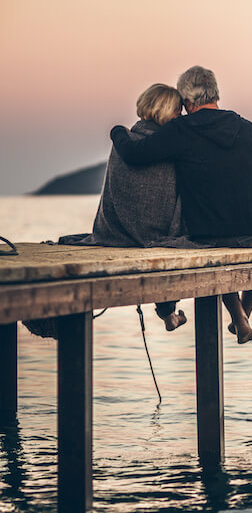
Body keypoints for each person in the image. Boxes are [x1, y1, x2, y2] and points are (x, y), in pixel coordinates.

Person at [110, 66, 252, 343]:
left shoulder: (182, 129)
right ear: (216, 93)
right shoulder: (248, 128)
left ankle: (241, 318)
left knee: (215, 247)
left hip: (210, 231)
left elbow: (134, 154)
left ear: (188, 102)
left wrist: (117, 131)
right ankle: (243, 315)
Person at [60, 83, 187, 332]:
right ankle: (168, 312)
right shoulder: (169, 145)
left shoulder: (124, 141)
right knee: (174, 239)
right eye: (177, 111)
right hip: (155, 233)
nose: (180, 116)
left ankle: (169, 314)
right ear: (165, 110)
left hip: (114, 231)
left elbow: (113, 190)